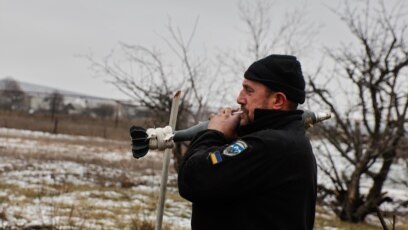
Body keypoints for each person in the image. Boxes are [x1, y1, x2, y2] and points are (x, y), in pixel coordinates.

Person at [177, 54, 317, 230]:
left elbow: (194, 179)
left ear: (278, 101)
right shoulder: (288, 140)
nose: (239, 99)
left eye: (249, 91)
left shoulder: (270, 145)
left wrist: (213, 134)